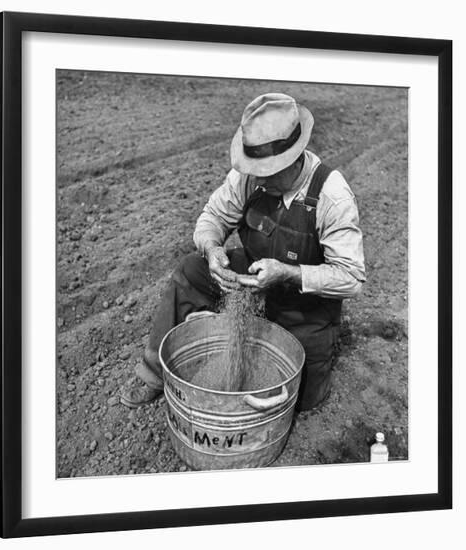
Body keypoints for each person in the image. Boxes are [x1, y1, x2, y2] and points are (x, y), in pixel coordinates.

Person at [120, 92, 366, 411]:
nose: (258, 178)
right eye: (255, 169)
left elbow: (351, 277)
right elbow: (213, 217)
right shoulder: (249, 177)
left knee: (299, 400)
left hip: (304, 307)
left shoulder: (331, 196)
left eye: (268, 171)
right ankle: (153, 373)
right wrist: (211, 249)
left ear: (294, 157)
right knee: (189, 271)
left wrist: (287, 273)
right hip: (249, 281)